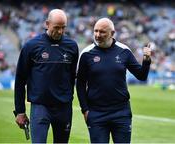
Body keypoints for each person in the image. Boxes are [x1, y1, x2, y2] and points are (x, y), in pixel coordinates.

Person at [76, 18, 151, 143]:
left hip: (121, 112)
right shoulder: (86, 54)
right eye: (96, 31)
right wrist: (85, 110)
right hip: (96, 113)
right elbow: (80, 84)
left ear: (112, 33)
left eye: (102, 32)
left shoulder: (124, 51)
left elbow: (141, 76)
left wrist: (147, 60)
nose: (98, 35)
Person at [14, 9, 79, 143]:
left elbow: (73, 76)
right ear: (47, 24)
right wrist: (20, 111)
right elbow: (20, 79)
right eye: (57, 27)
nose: (60, 31)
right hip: (40, 107)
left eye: (63, 28)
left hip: (63, 107)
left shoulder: (72, 46)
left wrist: (68, 97)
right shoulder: (31, 46)